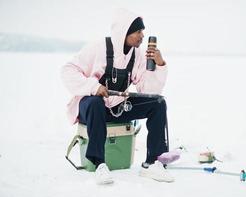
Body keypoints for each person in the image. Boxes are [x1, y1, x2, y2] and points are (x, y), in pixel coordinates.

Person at [61, 9, 174, 184]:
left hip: (117, 105)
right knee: (95, 103)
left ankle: (153, 163)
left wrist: (159, 65)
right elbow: (68, 70)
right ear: (125, 32)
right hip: (90, 106)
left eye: (142, 31)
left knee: (157, 103)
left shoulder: (137, 55)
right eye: (138, 31)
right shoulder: (98, 48)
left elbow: (149, 90)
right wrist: (93, 86)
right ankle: (99, 164)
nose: (142, 35)